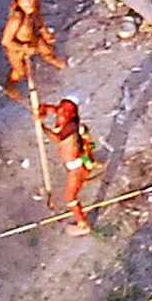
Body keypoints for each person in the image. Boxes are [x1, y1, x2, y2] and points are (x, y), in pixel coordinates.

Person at [38, 98, 96, 235]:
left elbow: (57, 138)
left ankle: (83, 224)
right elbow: (45, 107)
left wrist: (42, 126)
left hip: (76, 169)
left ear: (73, 115)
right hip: (73, 165)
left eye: (66, 111)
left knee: (70, 197)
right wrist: (40, 112)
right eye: (61, 108)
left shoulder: (71, 126)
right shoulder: (60, 114)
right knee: (70, 195)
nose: (62, 112)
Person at [1, 0, 65, 102]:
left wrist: (45, 33)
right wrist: (23, 48)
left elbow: (39, 21)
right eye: (23, 0)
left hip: (33, 39)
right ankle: (10, 87)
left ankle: (58, 64)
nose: (28, 3)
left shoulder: (35, 7)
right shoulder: (17, 18)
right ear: (18, 3)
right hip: (17, 47)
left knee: (47, 51)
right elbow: (6, 41)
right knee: (20, 71)